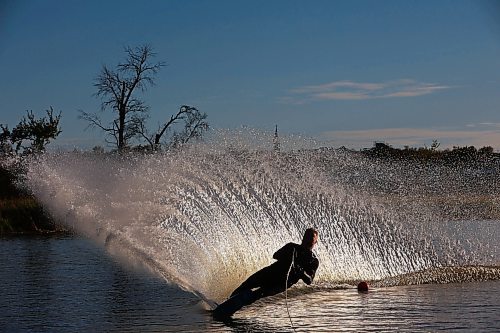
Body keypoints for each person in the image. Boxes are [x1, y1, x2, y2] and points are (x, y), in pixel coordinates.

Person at [230, 228, 319, 304]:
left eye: (311, 238)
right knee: (246, 285)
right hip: (270, 272)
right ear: (303, 237)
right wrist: (287, 257)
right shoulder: (291, 247)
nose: (308, 240)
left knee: (258, 294)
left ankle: (235, 305)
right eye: (306, 237)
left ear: (315, 242)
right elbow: (275, 255)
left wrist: (301, 272)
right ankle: (228, 301)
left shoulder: (313, 261)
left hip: (281, 283)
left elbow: (309, 280)